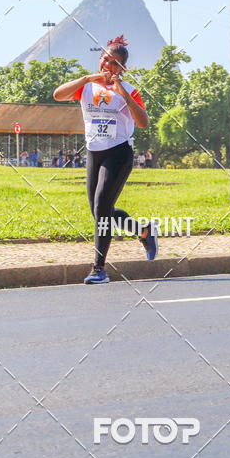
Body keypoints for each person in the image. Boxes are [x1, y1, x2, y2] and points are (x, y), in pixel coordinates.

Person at [53, 34, 159, 284]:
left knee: (102, 207)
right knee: (100, 212)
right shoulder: (87, 86)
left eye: (114, 63)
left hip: (118, 153)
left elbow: (143, 122)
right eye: (105, 59)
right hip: (94, 153)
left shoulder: (129, 90)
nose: (107, 65)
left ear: (122, 68)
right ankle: (144, 231)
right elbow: (58, 94)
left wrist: (122, 92)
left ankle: (98, 269)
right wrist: (87, 78)